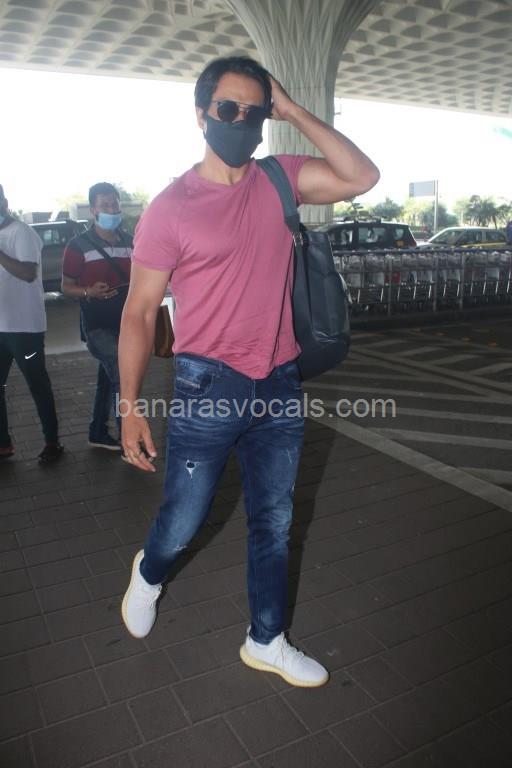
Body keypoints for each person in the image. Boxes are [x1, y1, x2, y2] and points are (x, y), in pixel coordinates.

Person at [119, 57, 379, 687]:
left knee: (274, 520)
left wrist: (291, 110)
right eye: (227, 109)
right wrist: (129, 406)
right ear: (201, 115)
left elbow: (362, 176)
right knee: (183, 521)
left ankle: (266, 639)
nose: (241, 121)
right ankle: (149, 573)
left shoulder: (280, 179)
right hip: (207, 384)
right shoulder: (171, 208)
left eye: (254, 111)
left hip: (280, 381)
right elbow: (139, 312)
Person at [62, 183, 133, 451]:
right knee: (123, 375)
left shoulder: (130, 241)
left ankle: (97, 432)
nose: (112, 210)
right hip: (97, 326)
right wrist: (88, 291)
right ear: (93, 209)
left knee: (109, 377)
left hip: (127, 324)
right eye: (105, 205)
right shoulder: (77, 246)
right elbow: (66, 287)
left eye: (115, 204)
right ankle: (129, 440)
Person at [0, 184, 63, 463]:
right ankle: (3, 444)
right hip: (1, 325)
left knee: (37, 384)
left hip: (24, 327)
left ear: (4, 202)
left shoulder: (22, 233)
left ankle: (52, 442)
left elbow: (28, 273)